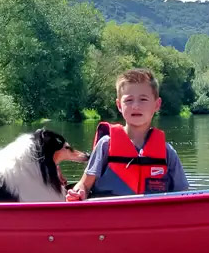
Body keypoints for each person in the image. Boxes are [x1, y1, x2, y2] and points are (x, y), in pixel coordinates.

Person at [66, 68, 189, 201]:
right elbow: (84, 184)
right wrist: (78, 192)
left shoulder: (168, 153)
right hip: (109, 216)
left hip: (152, 218)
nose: (135, 106)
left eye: (143, 99)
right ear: (119, 105)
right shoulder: (106, 145)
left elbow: (183, 194)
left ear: (157, 104)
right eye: (129, 100)